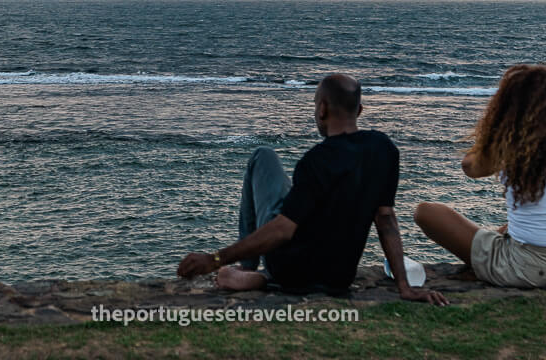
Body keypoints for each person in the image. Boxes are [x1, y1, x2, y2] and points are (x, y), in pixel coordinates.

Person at [177, 73, 447, 304]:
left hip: (290, 272)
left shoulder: (317, 160)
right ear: (360, 110)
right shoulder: (384, 150)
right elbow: (386, 219)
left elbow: (283, 230)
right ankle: (255, 274)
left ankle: (250, 270)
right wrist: (404, 286)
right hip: (338, 279)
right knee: (296, 200)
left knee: (262, 156)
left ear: (322, 109)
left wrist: (214, 259)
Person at [413, 63, 546, 288]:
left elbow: (469, 168)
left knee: (426, 211)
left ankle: (486, 263)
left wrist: (500, 126)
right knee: (512, 226)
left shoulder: (508, 148)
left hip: (528, 270)